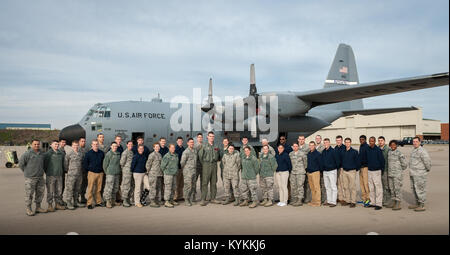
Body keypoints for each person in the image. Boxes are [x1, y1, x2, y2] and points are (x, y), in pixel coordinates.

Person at [19, 139, 47, 216]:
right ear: (31, 145)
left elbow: (44, 164)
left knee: (40, 193)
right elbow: (21, 164)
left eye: (38, 144)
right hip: (30, 178)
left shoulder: (42, 154)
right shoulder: (27, 154)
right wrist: (27, 172)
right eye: (35, 144)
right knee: (29, 194)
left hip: (40, 178)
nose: (37, 145)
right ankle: (28, 209)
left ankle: (38, 207)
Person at [408, 136, 431, 212]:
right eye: (413, 142)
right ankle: (417, 203)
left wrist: (426, 170)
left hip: (420, 174)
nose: (414, 143)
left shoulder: (422, 151)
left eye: (416, 141)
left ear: (420, 142)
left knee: (420, 189)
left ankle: (422, 205)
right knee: (414, 189)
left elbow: (427, 161)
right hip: (413, 173)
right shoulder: (414, 150)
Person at [198, 131, 220, 206]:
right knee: (205, 183)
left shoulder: (216, 146)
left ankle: (213, 198)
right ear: (207, 137)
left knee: (214, 182)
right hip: (206, 165)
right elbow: (200, 156)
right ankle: (203, 199)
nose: (211, 138)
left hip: (214, 165)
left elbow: (219, 156)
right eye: (210, 136)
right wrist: (204, 164)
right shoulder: (204, 146)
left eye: (213, 136)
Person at [44, 140, 66, 211]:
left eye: (57, 144)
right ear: (51, 145)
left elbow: (63, 163)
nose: (56, 146)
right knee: (50, 191)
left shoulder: (61, 153)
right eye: (55, 144)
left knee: (59, 191)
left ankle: (57, 204)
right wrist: (48, 172)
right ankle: (50, 205)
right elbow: (45, 165)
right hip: (51, 175)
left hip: (59, 175)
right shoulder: (48, 154)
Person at [83, 140, 105, 209]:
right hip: (91, 173)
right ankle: (89, 203)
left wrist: (102, 170)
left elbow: (103, 163)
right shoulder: (88, 153)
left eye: (96, 144)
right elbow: (85, 164)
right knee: (90, 189)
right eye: (94, 144)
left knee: (98, 189)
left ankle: (98, 202)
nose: (95, 145)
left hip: (100, 173)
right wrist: (89, 170)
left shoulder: (101, 153)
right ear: (91, 145)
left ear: (98, 145)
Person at [63, 140, 85, 210]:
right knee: (70, 188)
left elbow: (82, 163)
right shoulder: (69, 154)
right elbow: (65, 164)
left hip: (79, 174)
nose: (75, 147)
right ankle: (69, 202)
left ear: (78, 146)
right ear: (72, 146)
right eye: (74, 145)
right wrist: (68, 171)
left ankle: (76, 201)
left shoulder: (80, 153)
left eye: (77, 145)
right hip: (71, 174)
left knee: (77, 188)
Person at [387, 140, 408, 210]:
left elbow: (405, 164)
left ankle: (398, 203)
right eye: (391, 145)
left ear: (396, 145)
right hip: (390, 174)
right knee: (392, 188)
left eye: (394, 145)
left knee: (397, 188)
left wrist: (398, 170)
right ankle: (393, 201)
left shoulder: (399, 153)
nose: (393, 146)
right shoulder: (389, 152)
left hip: (397, 175)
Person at [366, 136, 385, 210]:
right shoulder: (368, 149)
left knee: (378, 188)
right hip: (370, 171)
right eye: (370, 141)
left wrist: (381, 170)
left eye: (372, 141)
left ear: (375, 142)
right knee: (371, 188)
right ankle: (372, 202)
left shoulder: (378, 150)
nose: (371, 142)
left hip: (377, 171)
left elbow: (382, 161)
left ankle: (379, 204)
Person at [341, 138, 360, 208]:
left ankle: (353, 201)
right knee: (345, 187)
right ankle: (347, 200)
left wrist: (355, 169)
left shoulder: (354, 152)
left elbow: (358, 162)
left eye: (348, 142)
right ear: (344, 143)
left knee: (352, 187)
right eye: (346, 142)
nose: (347, 144)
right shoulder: (343, 151)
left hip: (352, 171)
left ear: (350, 143)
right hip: (344, 171)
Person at [321, 138, 340, 207]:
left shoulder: (333, 151)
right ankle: (329, 201)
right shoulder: (323, 151)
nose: (326, 144)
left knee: (333, 186)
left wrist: (333, 167)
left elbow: (337, 162)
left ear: (329, 143)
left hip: (332, 171)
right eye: (324, 142)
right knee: (327, 187)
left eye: (327, 142)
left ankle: (333, 202)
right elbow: (322, 161)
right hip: (325, 171)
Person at [102, 142, 122, 208]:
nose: (115, 147)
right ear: (111, 146)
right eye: (113, 146)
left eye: (116, 146)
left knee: (115, 188)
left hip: (117, 173)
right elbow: (105, 164)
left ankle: (113, 201)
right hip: (110, 173)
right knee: (109, 188)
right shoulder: (108, 154)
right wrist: (107, 172)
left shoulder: (118, 154)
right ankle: (108, 201)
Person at [180, 138, 197, 206]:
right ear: (187, 143)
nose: (192, 143)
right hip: (188, 172)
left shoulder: (195, 151)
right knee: (188, 186)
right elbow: (182, 162)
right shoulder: (186, 152)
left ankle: (190, 198)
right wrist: (186, 170)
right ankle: (186, 199)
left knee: (193, 186)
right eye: (190, 142)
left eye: (192, 142)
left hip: (194, 171)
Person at [146, 143, 164, 207]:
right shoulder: (152, 155)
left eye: (158, 147)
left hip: (159, 174)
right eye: (156, 147)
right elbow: (148, 164)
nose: (157, 148)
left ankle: (156, 200)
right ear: (153, 148)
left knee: (158, 187)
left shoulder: (159, 155)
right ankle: (152, 201)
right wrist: (148, 172)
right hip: (153, 174)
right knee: (153, 188)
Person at [219, 137, 235, 203]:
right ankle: (227, 196)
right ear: (222, 142)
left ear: (228, 142)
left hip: (230, 169)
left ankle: (232, 196)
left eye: (226, 141)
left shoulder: (230, 149)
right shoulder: (221, 150)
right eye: (224, 141)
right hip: (223, 169)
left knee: (231, 183)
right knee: (225, 183)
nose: (225, 142)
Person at [306, 141, 322, 207]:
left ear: (315, 146)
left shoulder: (318, 154)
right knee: (312, 188)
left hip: (315, 172)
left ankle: (318, 202)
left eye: (312, 145)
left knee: (316, 188)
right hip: (309, 173)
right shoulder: (308, 154)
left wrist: (320, 172)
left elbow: (320, 164)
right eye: (310, 145)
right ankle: (313, 201)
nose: (311, 147)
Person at [120, 141, 134, 207]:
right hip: (127, 171)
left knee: (130, 185)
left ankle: (128, 199)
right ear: (127, 145)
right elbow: (122, 163)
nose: (130, 145)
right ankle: (124, 200)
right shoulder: (125, 152)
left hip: (131, 171)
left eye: (131, 144)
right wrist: (125, 170)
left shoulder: (131, 152)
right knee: (126, 186)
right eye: (129, 144)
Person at [378, 136, 391, 207]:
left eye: (381, 140)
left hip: (386, 170)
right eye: (379, 140)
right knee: (380, 186)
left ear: (384, 141)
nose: (380, 142)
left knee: (386, 186)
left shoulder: (388, 149)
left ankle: (388, 200)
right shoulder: (377, 149)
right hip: (378, 170)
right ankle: (382, 200)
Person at [298, 135, 311, 203]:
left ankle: (307, 198)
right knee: (300, 184)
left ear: (304, 140)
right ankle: (301, 197)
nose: (301, 140)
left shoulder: (308, 147)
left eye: (302, 139)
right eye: (300, 139)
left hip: (306, 168)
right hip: (299, 170)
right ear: (298, 140)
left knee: (307, 184)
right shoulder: (296, 147)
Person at [358, 135, 370, 207]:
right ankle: (364, 199)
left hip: (365, 167)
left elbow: (367, 158)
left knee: (366, 184)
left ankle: (368, 199)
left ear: (365, 140)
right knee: (361, 184)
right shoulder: (361, 146)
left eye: (362, 139)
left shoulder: (367, 147)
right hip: (360, 168)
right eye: (360, 139)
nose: (361, 140)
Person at [315, 135, 327, 204]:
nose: (318, 139)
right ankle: (318, 198)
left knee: (323, 185)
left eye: (319, 138)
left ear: (321, 139)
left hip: (321, 169)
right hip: (316, 169)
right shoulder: (314, 147)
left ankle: (324, 199)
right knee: (317, 185)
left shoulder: (323, 147)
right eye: (316, 138)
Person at [334, 135, 345, 204]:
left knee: (342, 184)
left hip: (342, 168)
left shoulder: (344, 148)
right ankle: (339, 197)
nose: (338, 142)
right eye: (337, 140)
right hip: (336, 168)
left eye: (339, 140)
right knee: (337, 184)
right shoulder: (335, 148)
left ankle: (343, 198)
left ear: (342, 140)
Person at [193, 133, 203, 202]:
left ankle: (203, 196)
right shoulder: (195, 146)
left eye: (201, 137)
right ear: (197, 138)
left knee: (203, 182)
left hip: (202, 166)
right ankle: (193, 197)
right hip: (196, 166)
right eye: (199, 137)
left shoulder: (204, 145)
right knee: (194, 182)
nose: (200, 138)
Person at [174, 137, 185, 201]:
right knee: (176, 183)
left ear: (182, 141)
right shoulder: (175, 149)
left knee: (181, 183)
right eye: (179, 141)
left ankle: (180, 196)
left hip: (182, 168)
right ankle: (175, 197)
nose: (180, 142)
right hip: (177, 168)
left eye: (181, 141)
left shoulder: (183, 149)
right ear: (177, 142)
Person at [78, 137, 89, 205]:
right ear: (79, 142)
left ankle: (82, 197)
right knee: (78, 185)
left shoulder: (86, 149)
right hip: (79, 171)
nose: (83, 142)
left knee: (84, 184)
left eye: (84, 141)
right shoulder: (77, 149)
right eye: (82, 141)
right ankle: (76, 199)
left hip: (85, 170)